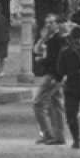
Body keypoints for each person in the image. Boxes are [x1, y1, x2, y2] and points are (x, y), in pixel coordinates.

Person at [31, 15, 66, 144]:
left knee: (38, 103)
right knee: (55, 105)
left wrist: (42, 61)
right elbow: (37, 49)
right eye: (47, 23)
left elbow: (55, 59)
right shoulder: (50, 39)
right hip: (54, 74)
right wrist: (43, 38)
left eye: (51, 22)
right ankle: (58, 136)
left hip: (52, 75)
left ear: (57, 24)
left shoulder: (58, 39)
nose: (48, 25)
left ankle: (48, 133)